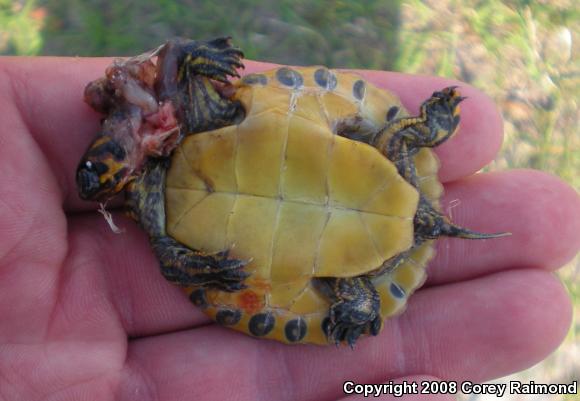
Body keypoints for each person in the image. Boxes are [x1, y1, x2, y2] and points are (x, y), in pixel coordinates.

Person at [0, 56, 578, 401]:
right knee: (353, 299)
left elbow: (179, 261)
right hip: (273, 204)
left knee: (349, 303)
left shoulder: (178, 154)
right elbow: (178, 261)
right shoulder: (186, 148)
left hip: (231, 207)